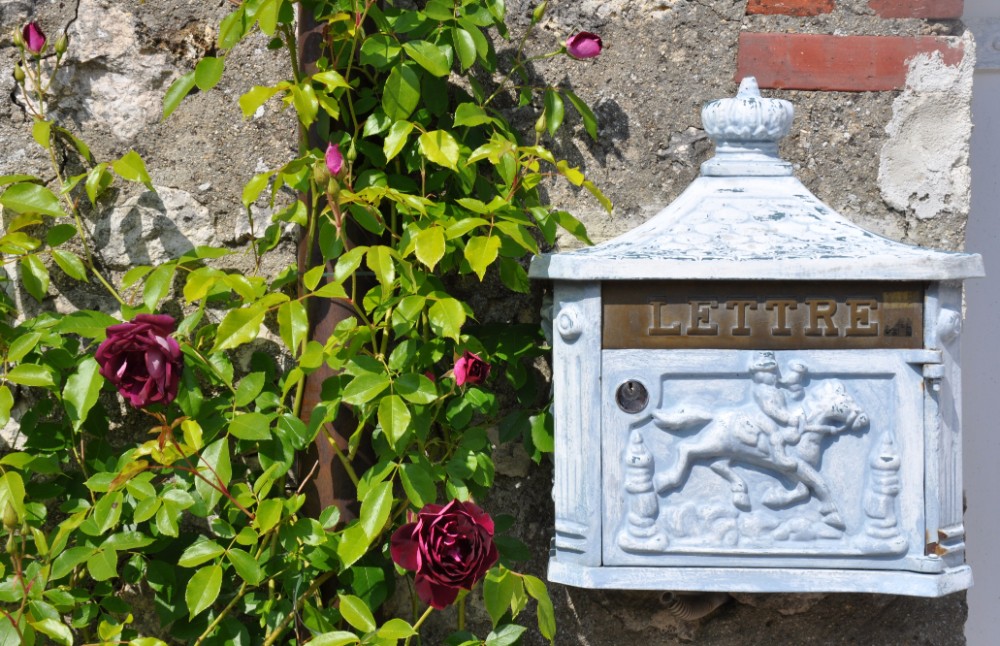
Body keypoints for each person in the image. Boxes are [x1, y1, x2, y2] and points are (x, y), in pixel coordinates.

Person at [748, 351, 804, 470]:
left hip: (779, 415)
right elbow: (769, 408)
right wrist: (787, 418)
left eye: (774, 372)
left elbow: (784, 405)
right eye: (769, 373)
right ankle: (780, 457)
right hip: (761, 416)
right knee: (773, 431)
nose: (774, 376)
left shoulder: (775, 390)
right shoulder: (762, 389)